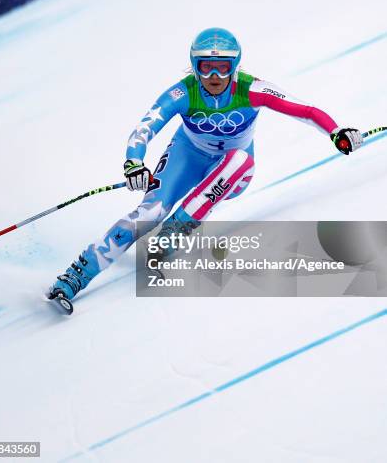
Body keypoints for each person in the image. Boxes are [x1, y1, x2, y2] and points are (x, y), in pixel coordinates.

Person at [48, 27, 363, 302]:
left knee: (239, 159)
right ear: (195, 67)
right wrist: (134, 162)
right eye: (206, 68)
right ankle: (76, 277)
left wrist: (337, 132)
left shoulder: (252, 89)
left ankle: (173, 233)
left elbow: (305, 110)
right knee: (149, 214)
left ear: (235, 67)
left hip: (231, 172)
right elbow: (145, 127)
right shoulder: (183, 92)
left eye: (222, 69)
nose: (214, 77)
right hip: (186, 158)